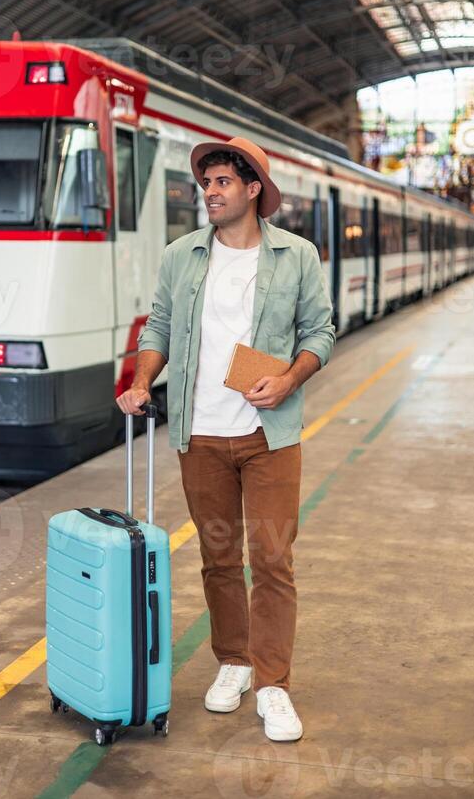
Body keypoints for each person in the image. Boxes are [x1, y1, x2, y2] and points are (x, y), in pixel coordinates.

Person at [116, 136, 335, 741]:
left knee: (270, 560)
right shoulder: (181, 255)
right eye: (205, 184)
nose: (207, 193)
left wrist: (289, 378)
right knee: (217, 558)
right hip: (201, 433)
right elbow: (159, 325)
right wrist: (141, 382)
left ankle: (274, 685)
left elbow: (320, 331)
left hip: (270, 435)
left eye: (220, 184)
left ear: (252, 189)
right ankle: (233, 663)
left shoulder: (296, 255)